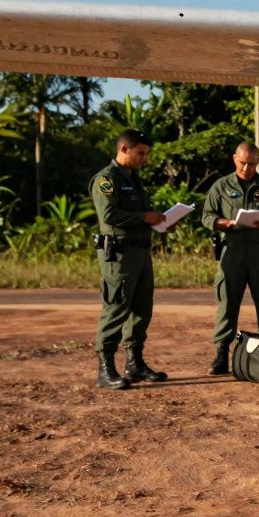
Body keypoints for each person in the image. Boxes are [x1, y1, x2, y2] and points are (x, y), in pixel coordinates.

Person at [90, 128, 169, 390]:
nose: (144, 158)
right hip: (119, 255)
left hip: (141, 252)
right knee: (116, 308)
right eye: (141, 153)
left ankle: (134, 363)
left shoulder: (133, 179)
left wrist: (157, 220)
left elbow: (139, 213)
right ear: (124, 149)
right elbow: (109, 215)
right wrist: (143, 218)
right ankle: (106, 369)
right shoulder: (106, 179)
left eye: (146, 154)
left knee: (141, 309)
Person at [201, 142, 259, 375]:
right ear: (234, 159)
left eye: (252, 164)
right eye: (242, 163)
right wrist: (225, 223)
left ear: (258, 161)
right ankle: (221, 354)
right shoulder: (221, 186)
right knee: (227, 304)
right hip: (232, 251)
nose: (247, 168)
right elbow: (207, 217)